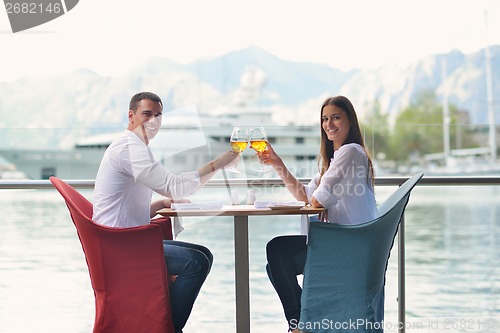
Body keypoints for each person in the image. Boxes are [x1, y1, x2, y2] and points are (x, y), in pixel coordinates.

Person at [92, 91, 239, 333]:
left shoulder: (134, 146)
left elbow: (121, 211)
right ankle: (167, 327)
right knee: (196, 262)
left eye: (158, 116)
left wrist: (159, 205)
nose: (153, 121)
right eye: (147, 114)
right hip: (121, 246)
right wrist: (221, 161)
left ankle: (162, 323)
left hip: (122, 238)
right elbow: (177, 186)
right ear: (131, 116)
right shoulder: (130, 148)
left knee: (204, 254)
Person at [257, 95, 377, 332]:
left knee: (276, 249)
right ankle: (305, 322)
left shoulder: (351, 152)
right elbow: (304, 195)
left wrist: (320, 200)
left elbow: (315, 200)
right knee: (275, 266)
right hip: (340, 242)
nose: (329, 124)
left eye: (336, 118)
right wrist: (276, 162)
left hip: (348, 245)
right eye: (324, 119)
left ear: (350, 121)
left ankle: (300, 324)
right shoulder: (335, 161)